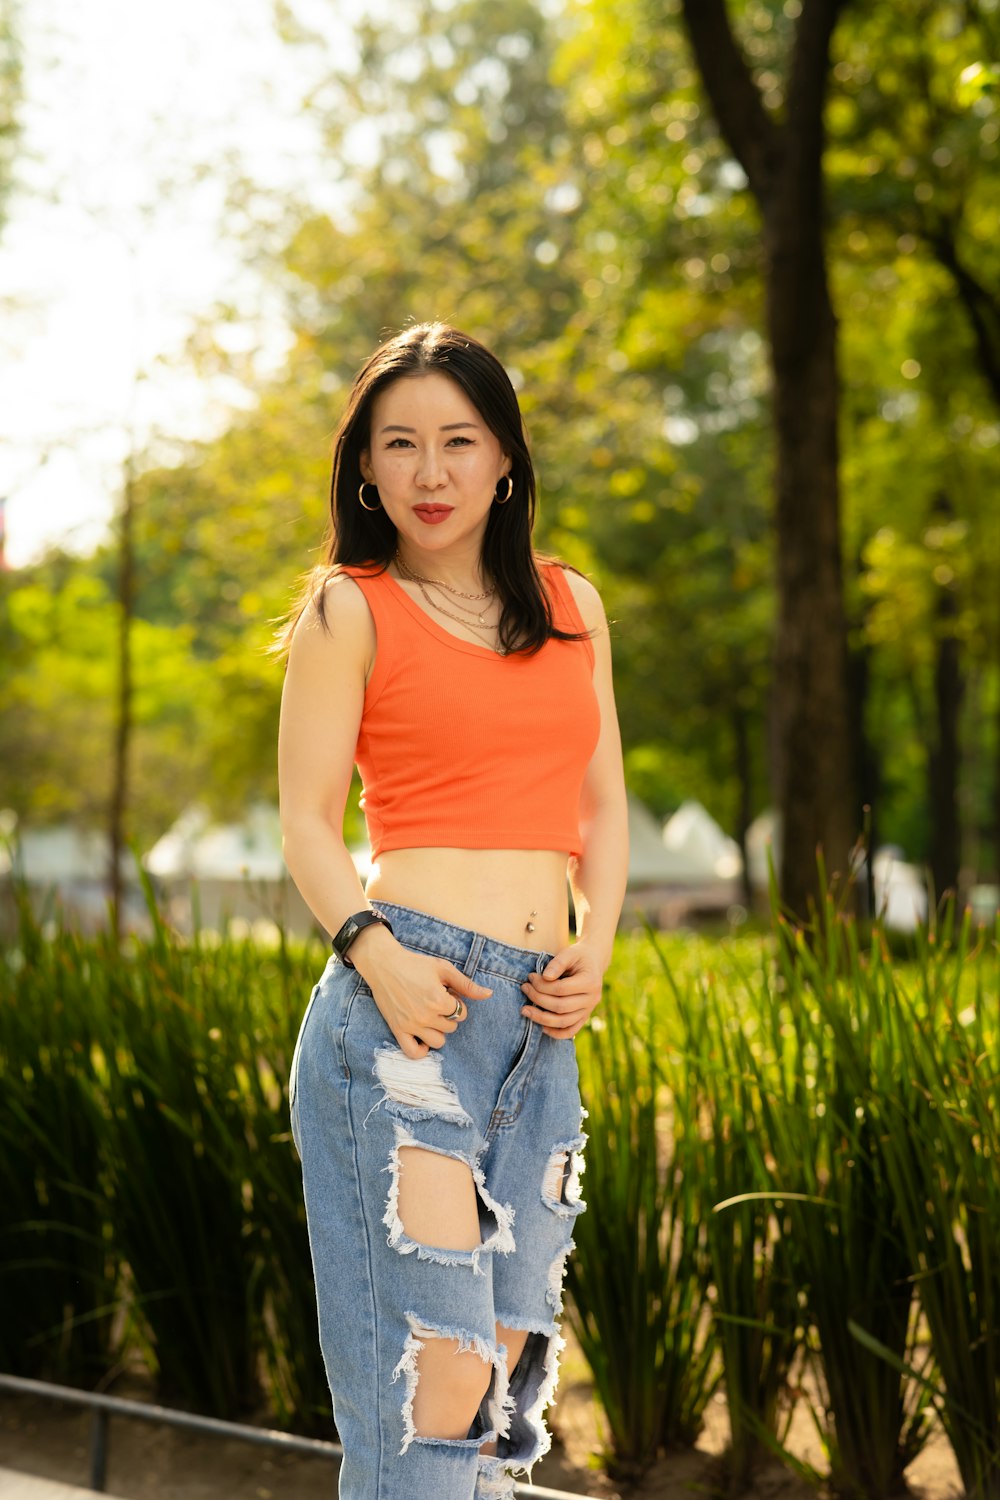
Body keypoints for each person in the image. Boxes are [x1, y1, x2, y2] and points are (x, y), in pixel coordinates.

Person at [276, 322, 628, 1500]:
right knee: (428, 1403)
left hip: (541, 1027)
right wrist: (376, 958)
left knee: (499, 1407)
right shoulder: (350, 608)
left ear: (505, 461)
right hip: (404, 1021)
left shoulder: (572, 603)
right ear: (365, 470)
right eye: (402, 446)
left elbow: (605, 806)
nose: (431, 474)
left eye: (458, 442)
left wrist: (599, 943)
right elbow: (307, 827)